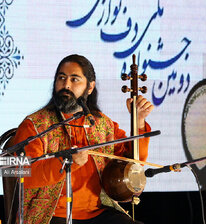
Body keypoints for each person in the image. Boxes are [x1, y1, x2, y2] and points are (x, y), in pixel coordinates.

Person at [12, 54, 154, 224]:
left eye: (75, 79)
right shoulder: (35, 125)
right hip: (51, 215)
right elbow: (23, 173)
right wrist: (66, 162)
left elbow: (132, 163)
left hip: (99, 212)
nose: (66, 85)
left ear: (90, 87)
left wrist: (138, 123)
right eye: (61, 78)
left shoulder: (103, 124)